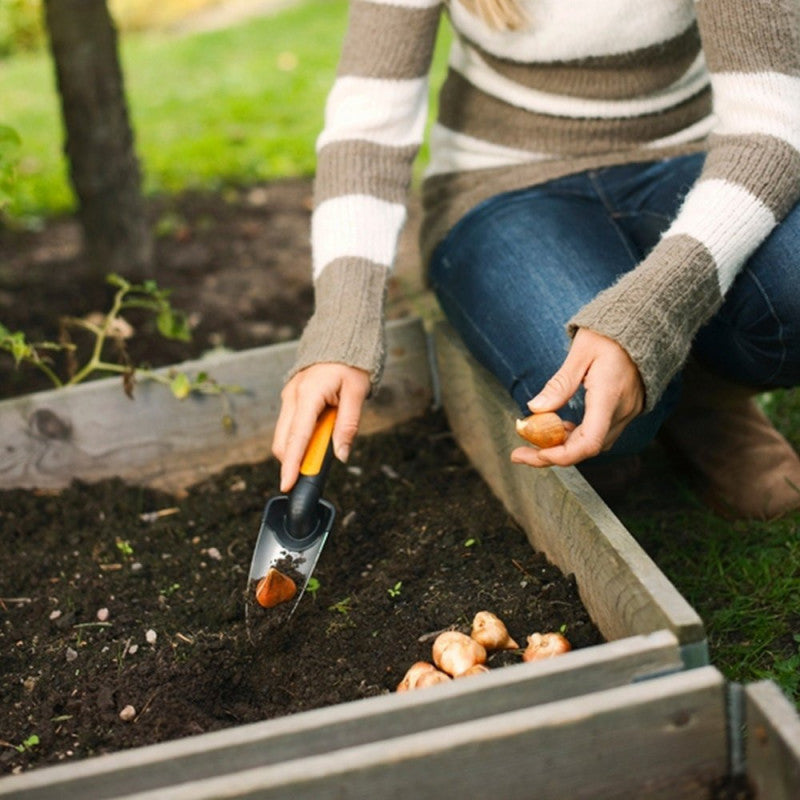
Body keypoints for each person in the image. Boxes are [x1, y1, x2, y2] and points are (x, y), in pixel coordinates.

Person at [272, 0, 800, 520]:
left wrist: (654, 315)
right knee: (572, 396)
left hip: (693, 155)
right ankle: (652, 405)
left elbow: (771, 125)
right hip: (505, 181)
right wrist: (342, 323)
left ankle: (703, 397)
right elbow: (366, 134)